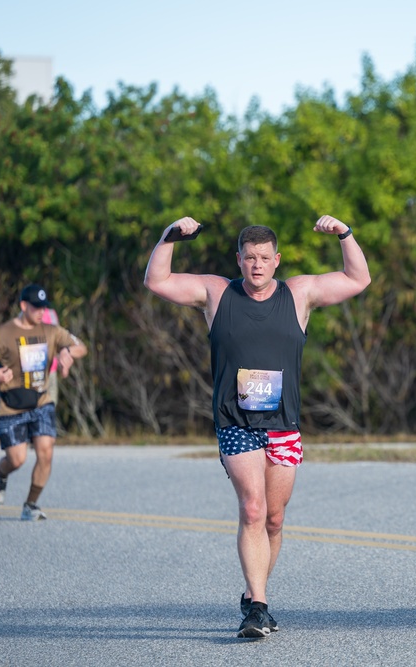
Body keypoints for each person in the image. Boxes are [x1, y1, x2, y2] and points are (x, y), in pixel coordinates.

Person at [143, 215, 370, 639]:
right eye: (250, 258)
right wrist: (169, 236)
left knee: (274, 519)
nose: (257, 265)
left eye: (265, 258)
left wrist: (344, 234)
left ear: (277, 260)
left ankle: (253, 593)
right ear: (239, 260)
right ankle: (258, 609)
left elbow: (358, 279)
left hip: (284, 424)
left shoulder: (299, 294)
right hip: (236, 421)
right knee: (252, 508)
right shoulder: (216, 292)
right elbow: (157, 280)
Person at [0, 284, 88, 521]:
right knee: (17, 459)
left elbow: (80, 346)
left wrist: (68, 353)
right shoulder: (2, 333)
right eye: (36, 308)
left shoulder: (51, 330)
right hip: (10, 406)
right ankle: (1, 472)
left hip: (41, 402)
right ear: (23, 306)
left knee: (46, 452)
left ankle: (31, 504)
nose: (40, 313)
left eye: (43, 308)